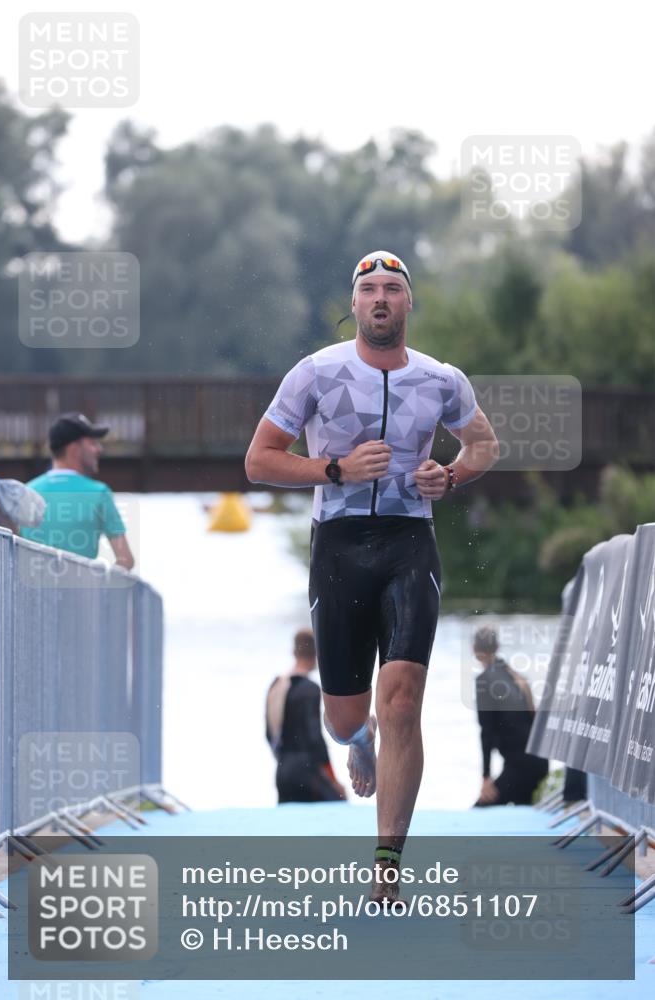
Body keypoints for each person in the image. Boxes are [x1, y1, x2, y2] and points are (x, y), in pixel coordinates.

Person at [246, 250, 499, 902]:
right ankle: (358, 742)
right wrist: (333, 470)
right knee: (344, 717)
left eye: (392, 288)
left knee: (404, 701)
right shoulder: (316, 373)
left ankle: (387, 864)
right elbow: (259, 461)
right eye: (369, 290)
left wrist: (451, 474)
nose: (381, 298)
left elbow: (482, 443)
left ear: (408, 303)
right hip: (339, 546)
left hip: (408, 544)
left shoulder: (441, 379)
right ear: (354, 306)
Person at [20, 412, 135, 569]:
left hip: (30, 592)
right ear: (74, 449)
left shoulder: (26, 492)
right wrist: (100, 590)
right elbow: (126, 561)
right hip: (80, 592)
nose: (99, 449)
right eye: (93, 443)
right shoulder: (99, 493)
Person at [266, 628, 346, 804]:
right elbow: (314, 738)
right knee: (340, 800)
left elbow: (269, 735)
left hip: (282, 771)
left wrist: (285, 762)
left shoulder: (276, 685)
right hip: (306, 771)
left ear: (294, 652)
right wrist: (333, 780)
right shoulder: (310, 689)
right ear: (316, 654)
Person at [472, 625, 548, 807]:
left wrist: (486, 777)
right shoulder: (516, 677)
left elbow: (486, 733)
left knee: (480, 809)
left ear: (474, 649)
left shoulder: (483, 681)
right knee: (521, 808)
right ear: (497, 647)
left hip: (521, 767)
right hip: (539, 763)